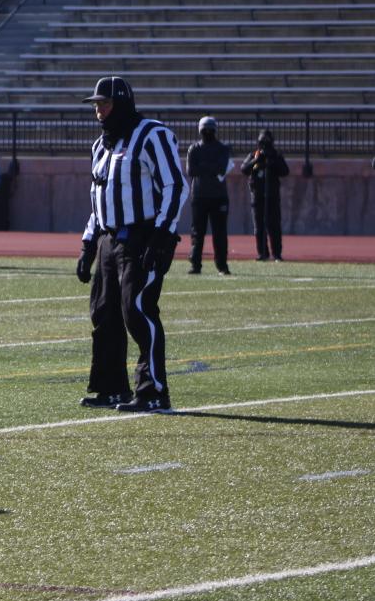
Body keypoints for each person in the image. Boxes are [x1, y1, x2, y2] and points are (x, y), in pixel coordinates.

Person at [76, 76, 186, 413]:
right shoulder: (101, 145)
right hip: (110, 238)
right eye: (96, 105)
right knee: (104, 313)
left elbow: (175, 185)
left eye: (104, 104)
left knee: (136, 309)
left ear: (121, 104)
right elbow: (100, 198)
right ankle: (112, 388)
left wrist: (162, 234)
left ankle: (154, 390)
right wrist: (88, 243)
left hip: (143, 236)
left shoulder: (152, 135)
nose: (98, 111)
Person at [185, 115, 231, 275]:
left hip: (218, 196)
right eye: (205, 130)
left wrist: (203, 166)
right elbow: (191, 170)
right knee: (197, 232)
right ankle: (195, 264)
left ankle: (222, 265)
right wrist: (211, 167)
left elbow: (221, 168)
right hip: (200, 196)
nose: (208, 132)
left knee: (220, 233)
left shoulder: (222, 148)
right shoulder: (194, 149)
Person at [242, 129, 288, 262]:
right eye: (262, 142)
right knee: (259, 226)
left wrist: (272, 163)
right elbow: (244, 169)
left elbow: (285, 171)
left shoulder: (276, 156)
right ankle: (263, 253)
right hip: (257, 195)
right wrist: (256, 161)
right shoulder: (254, 155)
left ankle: (277, 254)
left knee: (274, 226)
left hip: (272, 196)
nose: (265, 146)